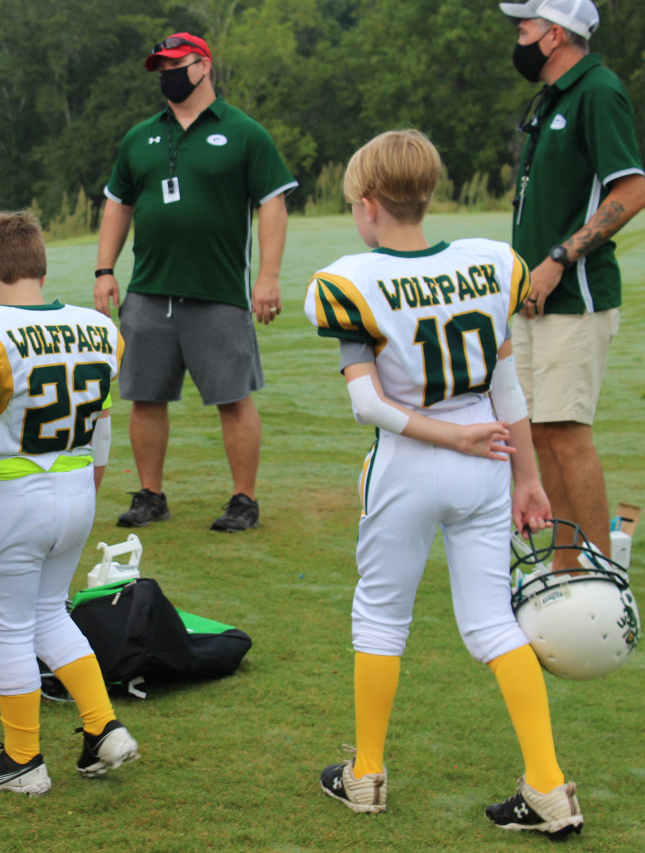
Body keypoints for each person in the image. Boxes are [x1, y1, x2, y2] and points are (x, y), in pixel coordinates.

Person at [305, 130, 583, 836]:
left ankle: (365, 774)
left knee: (380, 616)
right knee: (492, 622)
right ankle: (549, 786)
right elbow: (505, 382)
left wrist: (450, 434)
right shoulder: (491, 261)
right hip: (487, 454)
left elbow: (368, 404)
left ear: (368, 205)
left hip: (414, 454)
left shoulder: (351, 279)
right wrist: (527, 474)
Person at [0, 210, 139, 795]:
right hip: (75, 488)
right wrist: (87, 492)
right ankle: (102, 728)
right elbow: (102, 431)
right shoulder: (97, 328)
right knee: (49, 613)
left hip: (13, 493)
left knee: (6, 626)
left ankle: (23, 759)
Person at [95, 32, 297, 533]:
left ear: (203, 66)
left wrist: (268, 278)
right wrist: (105, 270)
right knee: (144, 396)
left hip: (219, 292)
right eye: (159, 66)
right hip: (148, 290)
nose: (165, 73)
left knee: (233, 398)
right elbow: (117, 204)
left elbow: (272, 202)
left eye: (174, 63)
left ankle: (243, 500)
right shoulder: (139, 137)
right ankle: (150, 495)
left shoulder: (244, 132)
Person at [499, 0, 645, 570]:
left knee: (566, 431)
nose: (520, 36)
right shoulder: (554, 98)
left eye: (526, 28)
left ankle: (603, 574)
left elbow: (630, 190)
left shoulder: (598, 90)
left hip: (576, 297)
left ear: (555, 35)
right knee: (537, 430)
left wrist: (560, 257)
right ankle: (566, 567)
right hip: (534, 301)